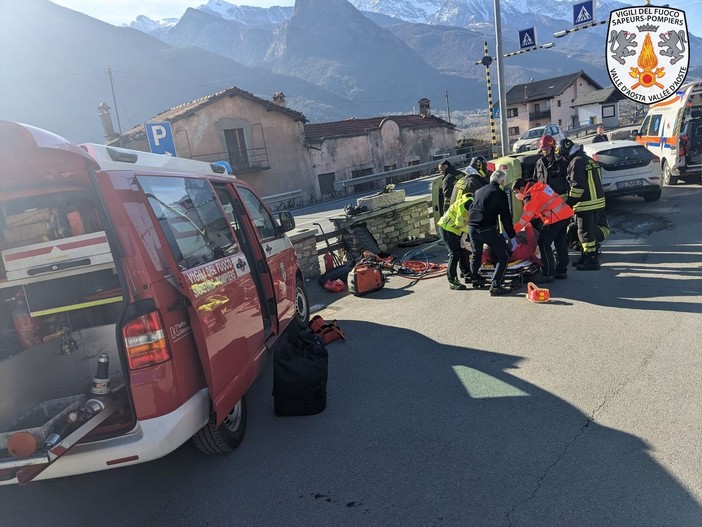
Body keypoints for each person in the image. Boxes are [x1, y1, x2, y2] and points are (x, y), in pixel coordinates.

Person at [556, 138, 606, 271]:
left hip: (585, 203)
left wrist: (569, 203)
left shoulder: (576, 162)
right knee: (586, 231)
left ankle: (591, 259)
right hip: (597, 202)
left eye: (562, 156)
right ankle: (585, 256)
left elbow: (578, 186)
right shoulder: (587, 159)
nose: (563, 160)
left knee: (584, 232)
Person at [511, 178, 574, 282]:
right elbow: (542, 205)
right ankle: (562, 271)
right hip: (565, 214)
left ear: (522, 188)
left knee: (544, 243)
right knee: (560, 242)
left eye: (516, 192)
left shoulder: (531, 195)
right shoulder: (540, 187)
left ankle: (548, 274)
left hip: (555, 218)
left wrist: (512, 231)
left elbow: (525, 217)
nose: (516, 195)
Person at [468, 170, 516, 296]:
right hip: (486, 227)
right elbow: (505, 216)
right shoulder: (499, 193)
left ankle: (475, 279)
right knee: (504, 255)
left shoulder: (479, 190)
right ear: (502, 181)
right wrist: (511, 235)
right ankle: (496, 285)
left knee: (476, 254)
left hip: (472, 227)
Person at [449, 166, 488, 281]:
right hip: (467, 219)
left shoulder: (461, 181)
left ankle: (465, 272)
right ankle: (471, 274)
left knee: (462, 248)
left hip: (457, 217)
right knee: (469, 248)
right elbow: (479, 203)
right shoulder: (475, 182)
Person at [437, 192, 473, 290]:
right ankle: (452, 281)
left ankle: (468, 275)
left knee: (464, 251)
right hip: (447, 228)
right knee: (454, 253)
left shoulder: (471, 202)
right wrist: (471, 231)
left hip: (455, 230)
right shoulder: (466, 204)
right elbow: (459, 223)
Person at [534, 135, 569, 199]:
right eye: (543, 149)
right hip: (545, 200)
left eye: (547, 149)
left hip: (560, 200)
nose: (545, 151)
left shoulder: (561, 161)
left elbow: (568, 179)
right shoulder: (539, 163)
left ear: (552, 148)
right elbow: (535, 181)